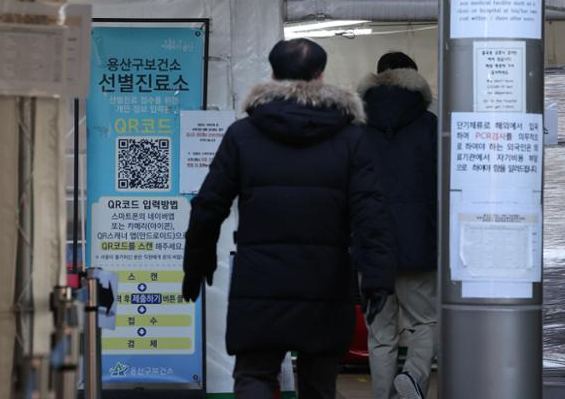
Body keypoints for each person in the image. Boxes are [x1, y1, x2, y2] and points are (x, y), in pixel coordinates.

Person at [182, 38, 396, 399]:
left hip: (259, 280)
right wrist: (377, 279)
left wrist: (195, 264)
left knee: (254, 375)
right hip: (325, 280)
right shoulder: (350, 138)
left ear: (272, 74)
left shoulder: (243, 134)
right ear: (321, 75)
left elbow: (209, 205)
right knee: (319, 382)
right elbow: (371, 213)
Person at [357, 52, 437, 399]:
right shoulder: (431, 126)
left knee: (381, 333)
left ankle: (382, 395)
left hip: (370, 243)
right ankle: (415, 377)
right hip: (417, 240)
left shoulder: (355, 127)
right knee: (424, 322)